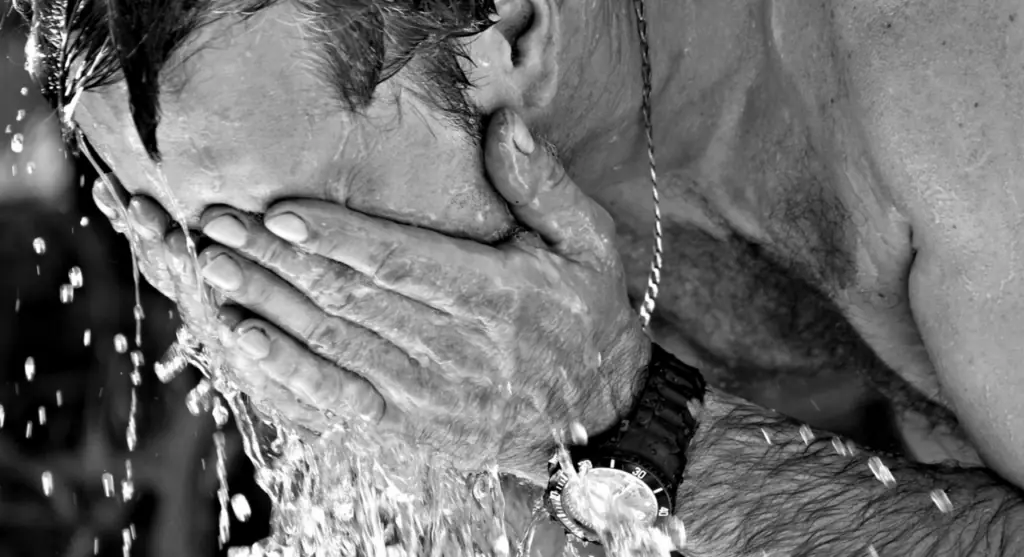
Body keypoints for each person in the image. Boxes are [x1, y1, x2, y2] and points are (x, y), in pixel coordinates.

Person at [18, 0, 1024, 554]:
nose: (271, 304)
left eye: (301, 235)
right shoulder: (418, 184)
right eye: (195, 239)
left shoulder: (953, 88)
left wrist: (623, 429)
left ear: (508, 31)